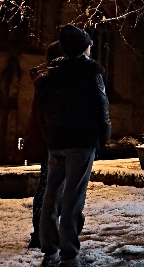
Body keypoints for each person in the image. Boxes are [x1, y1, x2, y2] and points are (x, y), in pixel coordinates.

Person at [38, 24, 111, 267]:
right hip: (81, 140)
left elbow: (43, 108)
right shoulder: (91, 70)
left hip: (57, 140)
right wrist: (103, 134)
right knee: (73, 196)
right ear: (84, 47)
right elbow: (101, 105)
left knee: (52, 193)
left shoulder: (52, 72)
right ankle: (68, 253)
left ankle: (49, 247)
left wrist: (51, 133)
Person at [23, 41, 66, 249]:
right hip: (51, 146)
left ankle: (44, 233)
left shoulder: (46, 81)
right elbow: (45, 119)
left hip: (50, 145)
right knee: (48, 190)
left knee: (49, 189)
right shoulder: (49, 83)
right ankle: (40, 234)